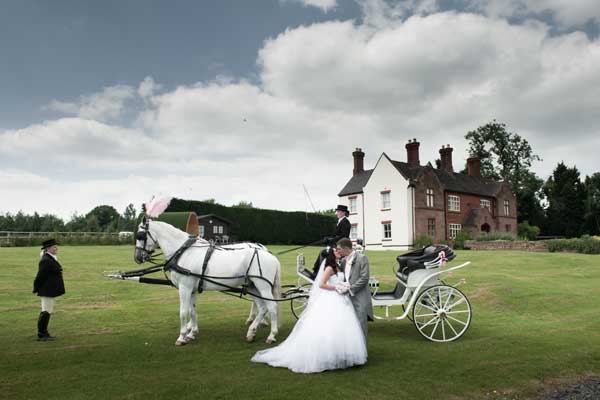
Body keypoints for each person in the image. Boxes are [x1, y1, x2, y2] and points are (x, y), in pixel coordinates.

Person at [251, 248, 367, 373]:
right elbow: (321, 284)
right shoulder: (329, 268)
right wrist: (337, 287)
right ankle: (326, 356)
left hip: (341, 299)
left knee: (341, 327)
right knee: (329, 326)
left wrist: (344, 285)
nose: (339, 252)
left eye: (339, 250)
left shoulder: (338, 266)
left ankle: (340, 353)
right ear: (332, 255)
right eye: (336, 251)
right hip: (331, 297)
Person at [335, 238, 373, 339]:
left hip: (360, 297)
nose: (337, 251)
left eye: (339, 249)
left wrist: (350, 289)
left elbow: (364, 278)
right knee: (349, 325)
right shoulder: (343, 260)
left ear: (346, 248)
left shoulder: (362, 258)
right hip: (347, 298)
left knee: (361, 325)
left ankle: (362, 351)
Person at [33, 238, 65, 341]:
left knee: (48, 310)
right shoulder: (46, 260)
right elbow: (39, 276)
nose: (56, 248)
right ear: (48, 248)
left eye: (56, 246)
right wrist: (36, 288)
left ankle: (44, 332)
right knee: (46, 311)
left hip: (50, 290)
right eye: (54, 246)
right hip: (47, 290)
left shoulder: (50, 258)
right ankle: (42, 334)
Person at [312, 204, 352, 276]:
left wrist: (331, 239)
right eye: (337, 211)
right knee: (322, 252)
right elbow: (337, 235)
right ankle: (316, 271)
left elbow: (343, 236)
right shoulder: (340, 221)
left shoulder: (345, 222)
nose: (337, 213)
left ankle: (319, 273)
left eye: (338, 211)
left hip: (341, 247)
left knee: (323, 253)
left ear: (343, 212)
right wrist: (329, 238)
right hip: (336, 245)